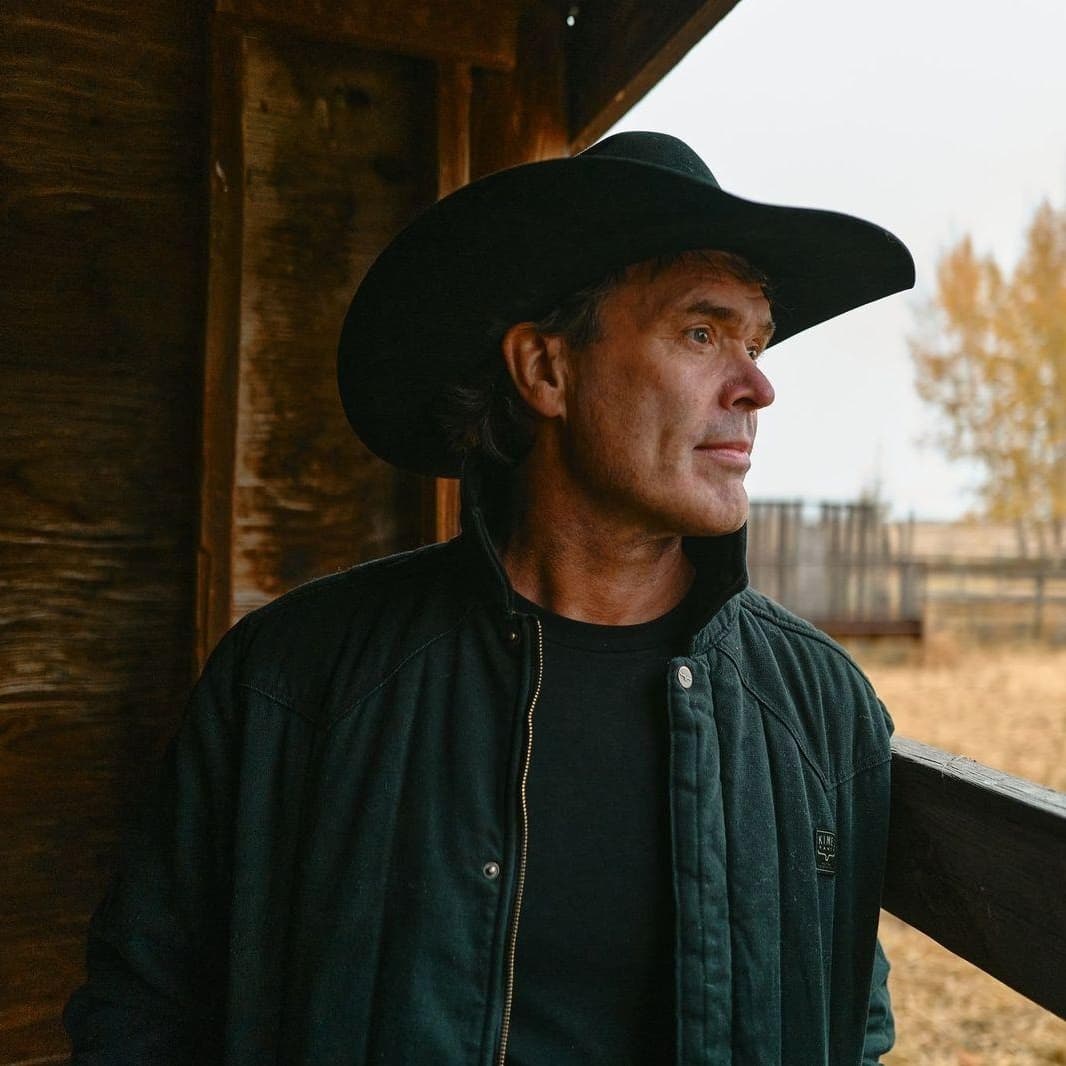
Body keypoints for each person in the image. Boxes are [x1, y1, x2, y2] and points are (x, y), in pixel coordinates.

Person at [65, 131, 913, 1065]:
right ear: (546, 371)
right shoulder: (294, 682)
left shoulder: (819, 711)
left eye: (756, 340)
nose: (758, 385)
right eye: (702, 333)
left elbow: (852, 1029)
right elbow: (141, 1006)